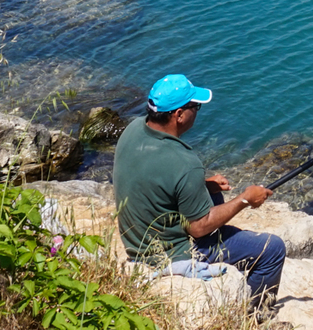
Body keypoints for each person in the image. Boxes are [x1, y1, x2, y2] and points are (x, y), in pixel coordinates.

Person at [113, 73, 287, 315]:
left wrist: (203, 184)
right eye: (196, 107)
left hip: (138, 240)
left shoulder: (133, 129)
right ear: (179, 115)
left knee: (213, 197)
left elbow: (154, 177)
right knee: (273, 249)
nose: (198, 111)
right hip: (174, 253)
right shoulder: (183, 162)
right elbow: (198, 228)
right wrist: (245, 199)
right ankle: (256, 316)